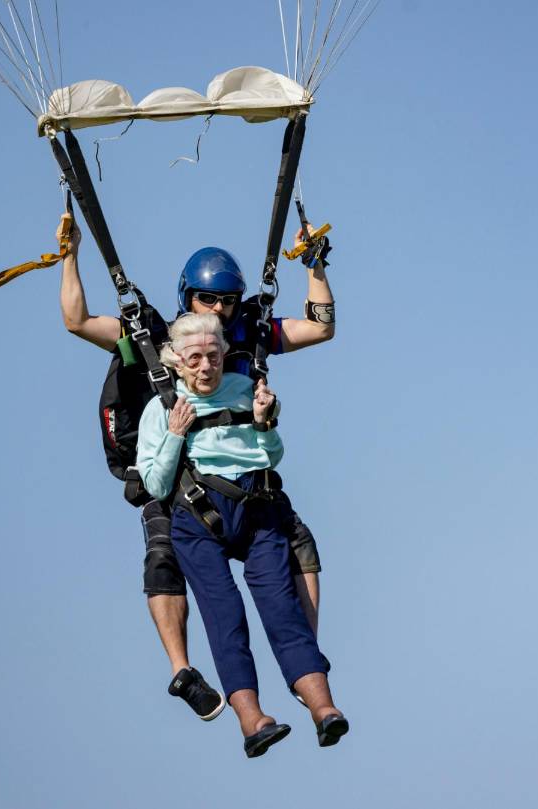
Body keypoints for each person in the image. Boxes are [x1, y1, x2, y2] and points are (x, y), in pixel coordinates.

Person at [58, 217, 336, 720]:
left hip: (244, 478)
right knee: (163, 557)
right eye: (209, 300)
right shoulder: (156, 338)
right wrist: (70, 257)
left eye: (228, 300)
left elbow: (319, 326)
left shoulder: (247, 336)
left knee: (300, 544)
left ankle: (303, 659)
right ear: (189, 298)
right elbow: (78, 321)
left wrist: (315, 266)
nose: (220, 310)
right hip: (175, 475)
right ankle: (182, 670)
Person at [136, 313, 347, 757]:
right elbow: (155, 487)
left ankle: (323, 709)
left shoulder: (246, 391)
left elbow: (272, 455)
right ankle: (253, 722)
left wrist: (265, 423)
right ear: (177, 361)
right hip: (198, 520)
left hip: (256, 511)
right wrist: (175, 434)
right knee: (225, 615)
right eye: (195, 359)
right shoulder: (160, 409)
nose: (206, 367)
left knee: (282, 609)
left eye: (213, 357)